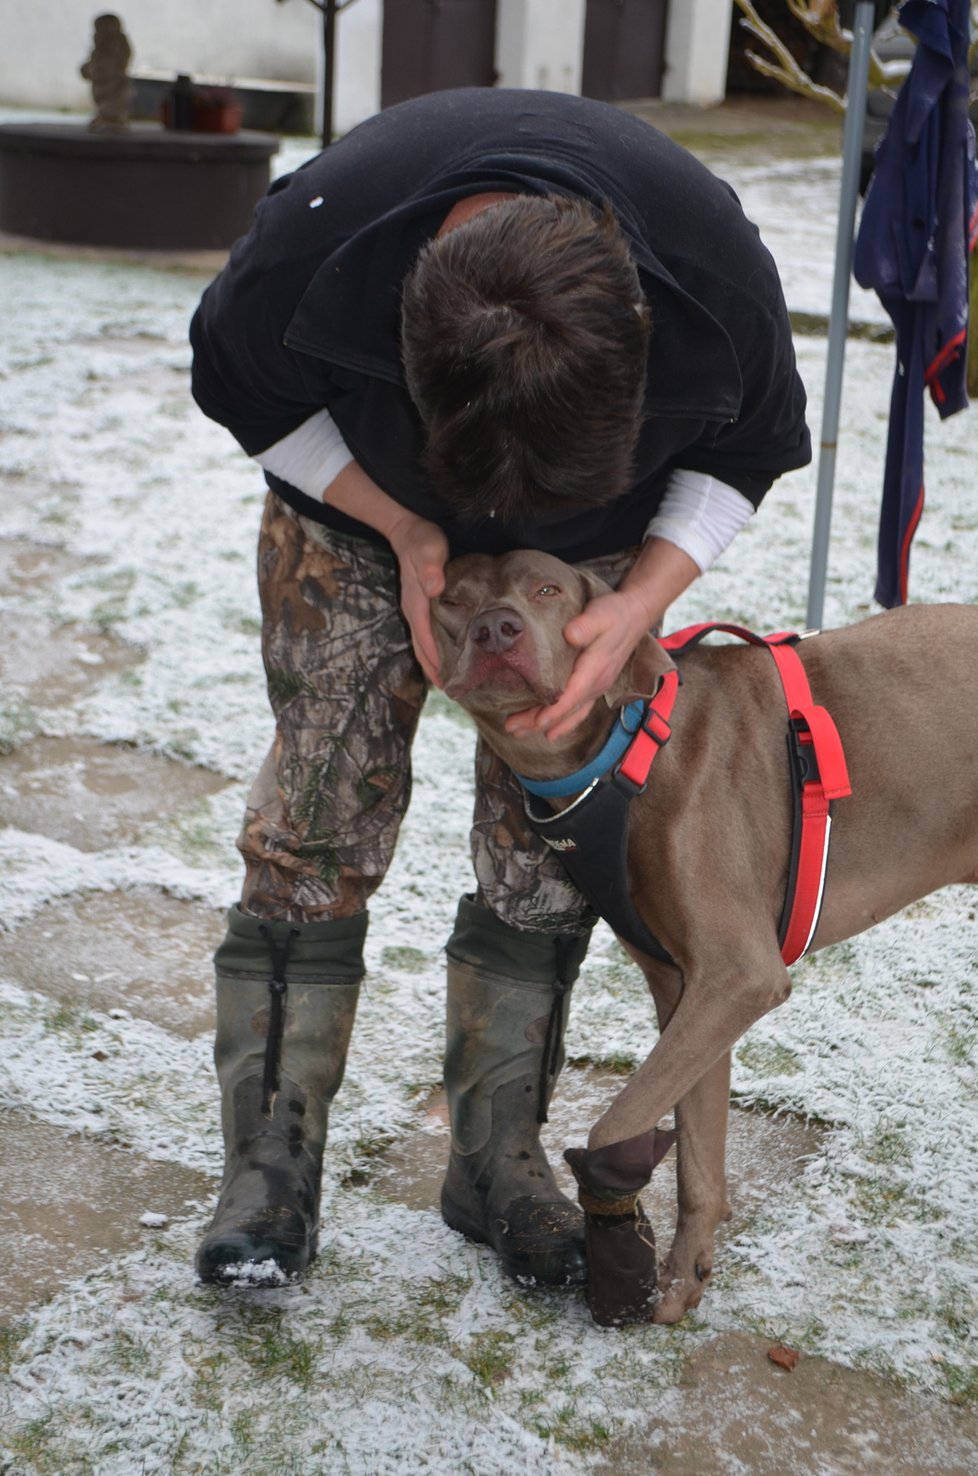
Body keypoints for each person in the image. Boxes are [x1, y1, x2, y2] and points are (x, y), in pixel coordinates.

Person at [189, 87, 810, 1288]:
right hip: (360, 523)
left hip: (588, 569)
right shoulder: (315, 242)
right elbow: (246, 394)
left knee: (550, 852)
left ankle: (494, 1160)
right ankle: (267, 1168)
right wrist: (404, 528)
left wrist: (641, 597)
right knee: (315, 820)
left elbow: (748, 451)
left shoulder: (713, 277)